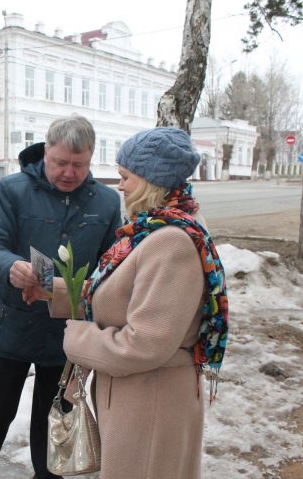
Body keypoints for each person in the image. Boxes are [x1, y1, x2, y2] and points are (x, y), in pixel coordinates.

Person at [27, 126, 229, 479]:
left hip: (151, 404)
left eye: (126, 177)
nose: (120, 186)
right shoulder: (154, 227)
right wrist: (50, 290)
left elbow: (145, 344)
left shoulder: (171, 242)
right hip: (141, 397)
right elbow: (121, 296)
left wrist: (77, 338)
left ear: (152, 180)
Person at [0, 114, 122, 478]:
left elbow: (112, 264)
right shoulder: (13, 190)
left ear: (91, 158)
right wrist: (10, 267)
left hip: (68, 335)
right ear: (46, 152)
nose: (69, 172)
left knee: (55, 423)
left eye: (79, 165)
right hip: (12, 325)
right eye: (60, 163)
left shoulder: (106, 201)